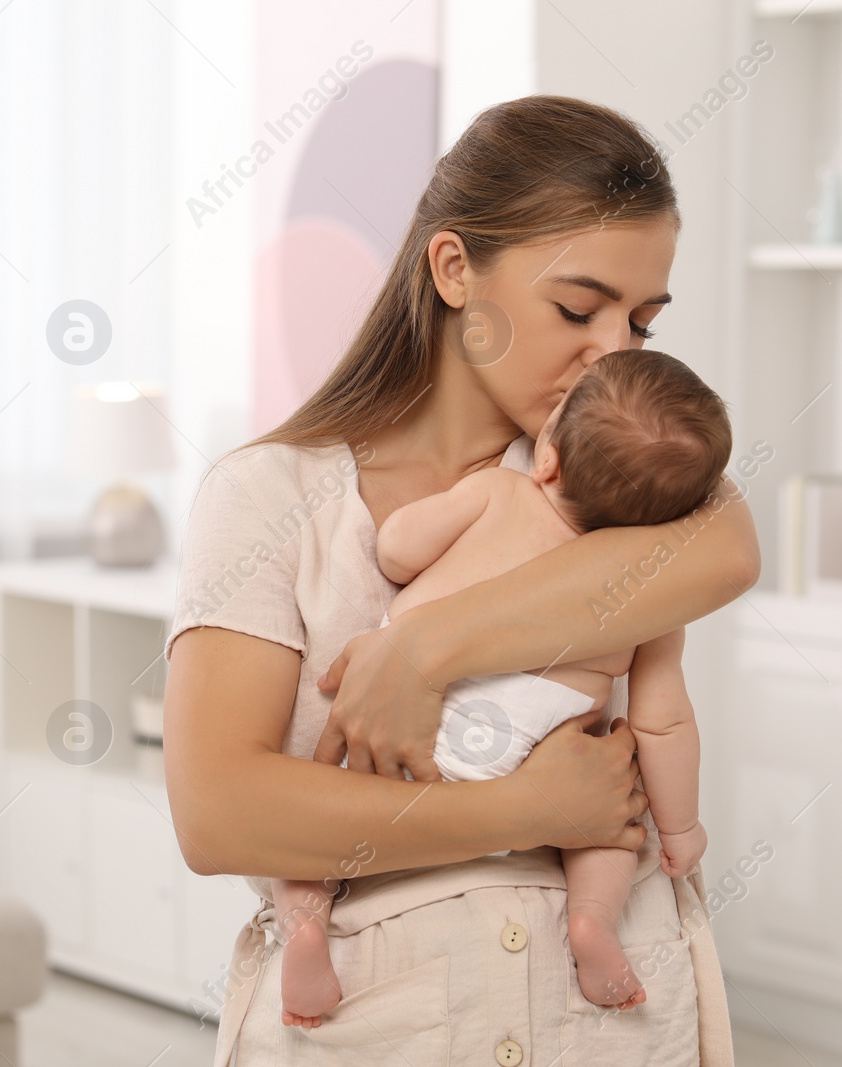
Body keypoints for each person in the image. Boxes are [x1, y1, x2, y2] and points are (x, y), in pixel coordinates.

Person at [162, 95, 759, 1066]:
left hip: (613, 1026)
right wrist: (523, 811)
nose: (612, 352)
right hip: (377, 1024)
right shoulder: (272, 495)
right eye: (577, 307)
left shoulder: (628, 478)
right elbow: (219, 810)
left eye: (642, 321)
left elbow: (731, 548)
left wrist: (424, 646)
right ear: (452, 269)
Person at [270, 348, 732, 1025]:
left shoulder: (500, 493)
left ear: (547, 457)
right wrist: (682, 828)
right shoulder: (653, 596)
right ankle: (590, 925)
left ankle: (307, 924)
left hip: (398, 726)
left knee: (303, 835)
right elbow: (665, 724)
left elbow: (396, 548)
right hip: (526, 754)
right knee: (609, 833)